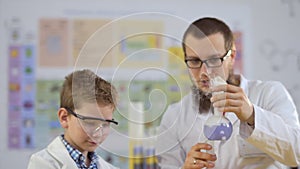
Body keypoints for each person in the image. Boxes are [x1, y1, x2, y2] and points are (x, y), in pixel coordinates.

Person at [156, 17, 300, 169]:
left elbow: (297, 154)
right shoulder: (174, 116)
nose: (205, 72)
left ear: (231, 57)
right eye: (194, 61)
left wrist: (252, 115)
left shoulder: (269, 94)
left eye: (213, 59)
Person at [27, 69, 119, 169]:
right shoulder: (42, 163)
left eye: (105, 124)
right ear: (64, 118)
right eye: (90, 123)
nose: (98, 134)